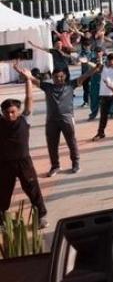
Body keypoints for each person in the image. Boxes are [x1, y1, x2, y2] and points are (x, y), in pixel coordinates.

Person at [14, 61, 97, 176]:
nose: (58, 78)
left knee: (71, 142)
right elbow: (32, 79)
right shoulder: (47, 87)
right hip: (51, 120)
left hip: (67, 119)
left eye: (61, 76)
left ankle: (75, 164)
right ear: (52, 77)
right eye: (56, 76)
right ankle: (55, 166)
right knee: (52, 144)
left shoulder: (71, 85)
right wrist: (22, 73)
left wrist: (95, 67)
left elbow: (86, 75)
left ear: (65, 76)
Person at [1, 67, 48, 228]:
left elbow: (29, 98)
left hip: (23, 162)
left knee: (33, 189)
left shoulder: (25, 119)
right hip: (4, 163)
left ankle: (41, 216)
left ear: (18, 111)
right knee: (2, 193)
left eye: (13, 112)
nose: (10, 115)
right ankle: (2, 220)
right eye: (6, 113)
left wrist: (28, 79)